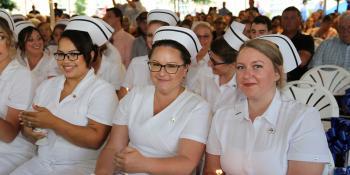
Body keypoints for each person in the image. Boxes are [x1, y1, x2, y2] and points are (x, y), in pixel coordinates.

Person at [204, 35, 330, 175]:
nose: (246, 75)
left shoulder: (303, 118)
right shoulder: (223, 116)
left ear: (277, 73)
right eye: (241, 67)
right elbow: (212, 171)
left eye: (257, 66)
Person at [95, 25, 210, 175]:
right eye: (155, 64)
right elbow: (113, 147)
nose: (162, 73)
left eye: (171, 66)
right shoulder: (135, 96)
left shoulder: (197, 107)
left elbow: (187, 162)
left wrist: (143, 164)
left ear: (186, 68)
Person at [11, 16, 119, 175]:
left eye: (73, 54)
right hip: (41, 163)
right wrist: (29, 129)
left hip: (78, 167)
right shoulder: (48, 86)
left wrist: (52, 122)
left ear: (91, 55)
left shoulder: (103, 91)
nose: (65, 61)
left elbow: (95, 139)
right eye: (60, 54)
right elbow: (28, 121)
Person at [0, 18, 35, 175]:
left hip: (10, 151)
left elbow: (9, 135)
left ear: (9, 40)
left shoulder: (21, 76)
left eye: (0, 37)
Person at [192, 21, 248, 112]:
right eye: (210, 57)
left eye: (215, 62)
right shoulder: (204, 73)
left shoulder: (243, 87)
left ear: (233, 64)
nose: (209, 64)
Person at [121, 9, 179, 94]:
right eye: (150, 35)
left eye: (158, 34)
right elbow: (124, 93)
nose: (153, 40)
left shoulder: (178, 66)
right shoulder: (136, 63)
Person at [14, 21, 60, 86]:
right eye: (30, 40)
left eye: (39, 38)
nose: (37, 43)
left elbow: (52, 89)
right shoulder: (18, 62)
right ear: (22, 44)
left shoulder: (52, 61)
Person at [281, 6, 314, 81]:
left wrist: (278, 57)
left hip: (298, 83)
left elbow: (302, 61)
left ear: (299, 21)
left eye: (292, 18)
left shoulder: (306, 39)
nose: (288, 21)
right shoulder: (276, 39)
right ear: (281, 21)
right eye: (285, 18)